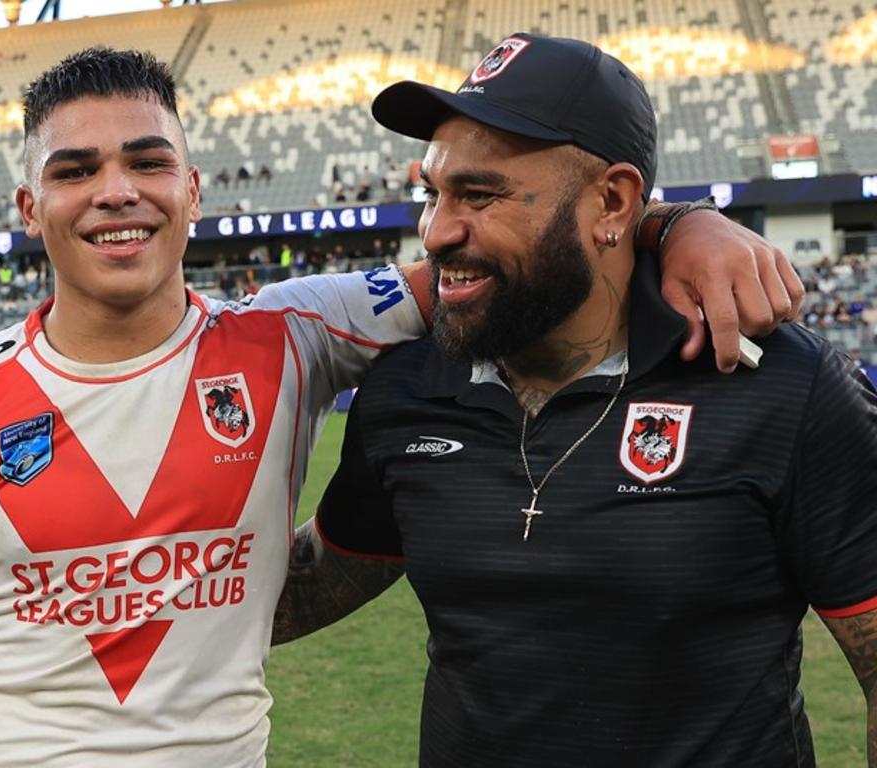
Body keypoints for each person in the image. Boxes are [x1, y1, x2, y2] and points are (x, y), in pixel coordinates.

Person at [0, 46, 801, 767]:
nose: (115, 193)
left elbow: (506, 261)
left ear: (192, 190)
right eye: (74, 171)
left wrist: (676, 224)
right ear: (29, 205)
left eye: (146, 162)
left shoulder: (294, 331)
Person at [272, 34, 877, 767]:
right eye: (431, 193)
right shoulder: (407, 385)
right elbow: (316, 578)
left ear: (613, 201)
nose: (435, 231)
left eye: (480, 194)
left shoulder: (781, 384)